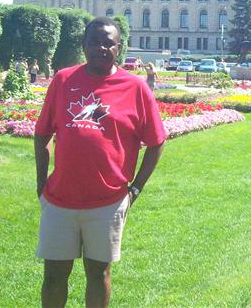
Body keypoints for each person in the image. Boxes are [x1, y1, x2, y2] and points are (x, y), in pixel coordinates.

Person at [34, 17, 166, 308]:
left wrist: (136, 189)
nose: (101, 48)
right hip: (59, 200)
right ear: (84, 46)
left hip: (107, 201)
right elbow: (42, 133)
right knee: (54, 275)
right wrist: (41, 182)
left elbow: (157, 141)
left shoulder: (135, 88)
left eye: (109, 43)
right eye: (95, 42)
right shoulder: (63, 79)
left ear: (119, 48)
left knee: (98, 273)